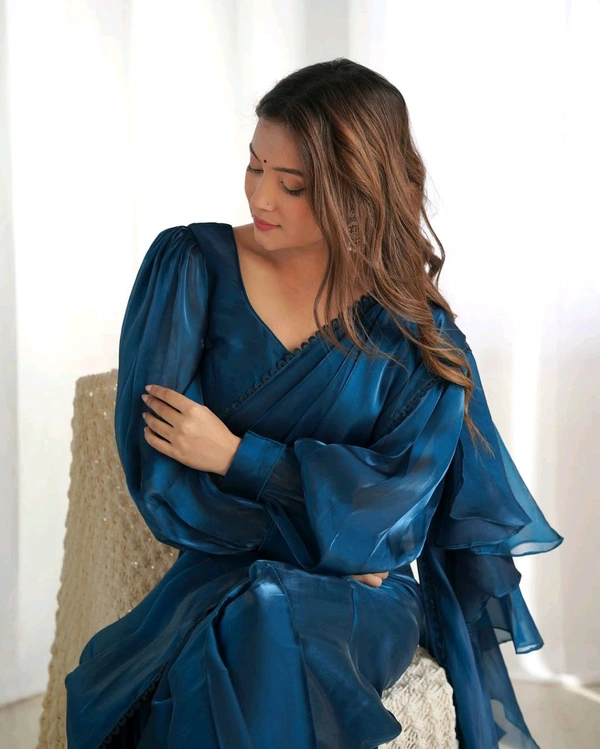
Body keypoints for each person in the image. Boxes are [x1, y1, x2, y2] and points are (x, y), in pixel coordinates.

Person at [65, 58, 562, 749]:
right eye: (254, 166)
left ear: (357, 191)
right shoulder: (190, 268)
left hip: (366, 603)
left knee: (265, 615)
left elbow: (393, 522)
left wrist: (238, 458)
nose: (260, 196)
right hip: (218, 579)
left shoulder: (416, 336)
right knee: (257, 615)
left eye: (292, 184)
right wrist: (334, 536)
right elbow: (164, 486)